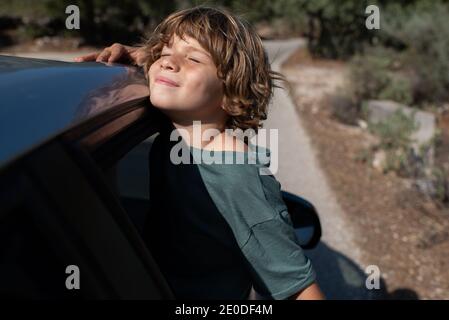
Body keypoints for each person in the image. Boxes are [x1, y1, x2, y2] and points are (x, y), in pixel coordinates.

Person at [75, 5, 325, 300]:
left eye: (193, 58)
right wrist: (144, 56)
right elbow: (172, 71)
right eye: (164, 53)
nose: (168, 63)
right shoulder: (178, 129)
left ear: (231, 94)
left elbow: (300, 292)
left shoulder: (236, 178)